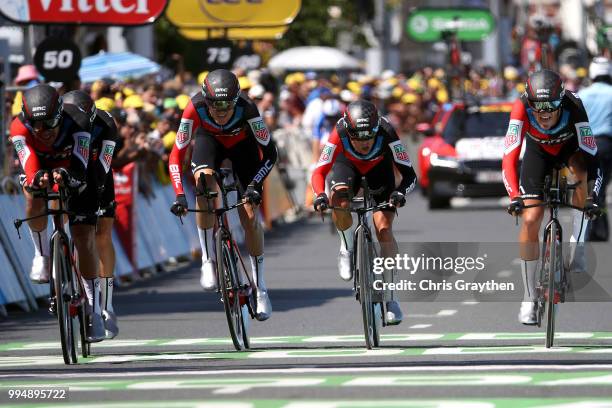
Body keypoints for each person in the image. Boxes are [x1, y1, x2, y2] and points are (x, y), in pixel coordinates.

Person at [168, 69, 278, 321]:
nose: (220, 109)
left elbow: (270, 154)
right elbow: (176, 154)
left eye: (226, 104)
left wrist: (254, 185)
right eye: (214, 104)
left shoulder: (248, 108)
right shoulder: (193, 106)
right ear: (205, 99)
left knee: (249, 213)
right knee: (203, 184)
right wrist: (179, 194)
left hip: (243, 147)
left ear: (236, 100)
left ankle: (260, 288)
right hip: (209, 143)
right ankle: (208, 259)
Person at [502, 69, 603, 325]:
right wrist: (514, 195)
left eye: (551, 105)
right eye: (538, 106)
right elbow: (510, 155)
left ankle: (577, 242)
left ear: (561, 99)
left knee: (581, 186)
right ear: (529, 100)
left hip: (571, 152)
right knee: (531, 217)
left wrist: (592, 197)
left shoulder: (575, 105)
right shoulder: (520, 106)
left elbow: (592, 156)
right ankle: (528, 296)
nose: (544, 112)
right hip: (538, 155)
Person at [9, 84, 105, 342]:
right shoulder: (18, 127)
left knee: (84, 236)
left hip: (73, 168)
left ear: (61, 114)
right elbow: (28, 162)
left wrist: (68, 176)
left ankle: (95, 310)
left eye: (50, 123)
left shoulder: (79, 120)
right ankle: (42, 255)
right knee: (32, 193)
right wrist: (36, 178)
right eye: (36, 125)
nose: (43, 131)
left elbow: (81, 163)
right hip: (41, 167)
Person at [311, 99, 417, 325]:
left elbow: (410, 175)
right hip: (346, 167)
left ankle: (390, 296)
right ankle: (346, 246)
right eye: (358, 137)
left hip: (379, 172)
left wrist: (400, 193)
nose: (364, 142)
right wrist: (320, 194)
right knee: (338, 199)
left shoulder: (387, 131)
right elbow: (319, 172)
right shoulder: (338, 132)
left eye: (369, 135)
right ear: (348, 131)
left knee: (384, 229)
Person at [63, 90, 120, 339]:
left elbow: (105, 163)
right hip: (67, 172)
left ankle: (106, 304)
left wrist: (94, 189)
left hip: (98, 175)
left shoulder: (106, 123)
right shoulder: (63, 121)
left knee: (102, 235)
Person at [578, 57, 612, 242]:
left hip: (586, 145)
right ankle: (600, 228)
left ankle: (590, 228)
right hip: (607, 144)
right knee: (601, 187)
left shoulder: (583, 94)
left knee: (588, 187)